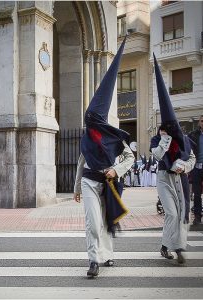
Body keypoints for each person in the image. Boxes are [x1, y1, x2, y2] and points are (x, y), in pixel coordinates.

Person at [73, 36, 134, 278]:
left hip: (109, 181)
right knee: (92, 222)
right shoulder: (86, 136)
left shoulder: (114, 137)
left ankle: (106, 255)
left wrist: (115, 170)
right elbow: (81, 161)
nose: (88, 122)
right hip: (89, 180)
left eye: (91, 119)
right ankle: (93, 260)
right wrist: (77, 187)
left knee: (107, 221)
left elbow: (130, 158)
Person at [151, 54, 196, 264]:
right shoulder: (157, 139)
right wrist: (164, 140)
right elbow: (158, 155)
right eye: (164, 128)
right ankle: (174, 247)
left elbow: (192, 159)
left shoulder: (185, 140)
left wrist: (184, 166)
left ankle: (170, 247)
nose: (167, 130)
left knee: (182, 213)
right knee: (171, 213)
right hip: (163, 178)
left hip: (180, 179)